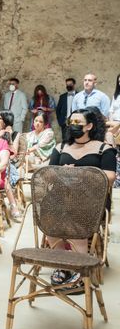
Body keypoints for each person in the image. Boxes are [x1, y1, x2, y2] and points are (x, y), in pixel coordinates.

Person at [47, 107, 116, 288]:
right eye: (71, 122)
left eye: (78, 123)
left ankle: (80, 269)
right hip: (63, 197)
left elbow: (109, 177)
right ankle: (63, 265)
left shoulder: (104, 149)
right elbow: (49, 174)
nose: (73, 125)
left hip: (93, 200)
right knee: (48, 211)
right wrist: (62, 173)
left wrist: (80, 175)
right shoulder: (61, 147)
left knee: (75, 213)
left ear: (89, 126)